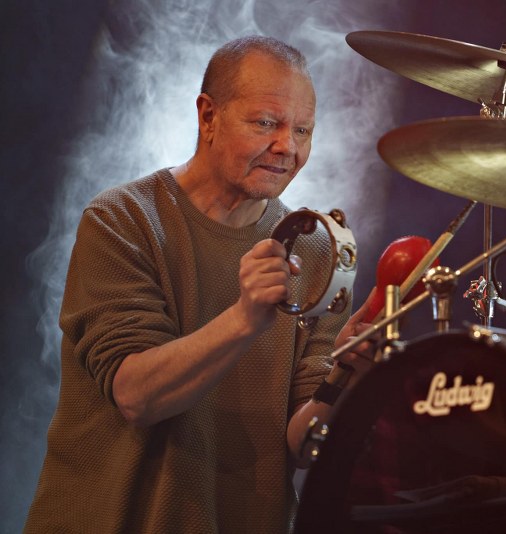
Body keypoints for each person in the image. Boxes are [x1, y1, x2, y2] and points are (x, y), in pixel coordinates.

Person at [24, 36, 374, 533]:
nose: (288, 148)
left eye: (303, 130)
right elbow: (136, 396)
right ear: (208, 116)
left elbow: (303, 445)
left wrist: (347, 377)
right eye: (266, 123)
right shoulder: (122, 220)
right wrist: (245, 317)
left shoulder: (317, 249)